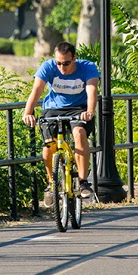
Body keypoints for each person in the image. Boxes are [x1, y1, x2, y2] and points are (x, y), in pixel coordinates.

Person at [23, 40, 99, 204]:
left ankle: (83, 181)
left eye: (66, 63)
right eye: (58, 63)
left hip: (79, 108)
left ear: (74, 59)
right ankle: (52, 184)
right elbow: (37, 89)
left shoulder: (87, 67)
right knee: (49, 144)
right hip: (53, 108)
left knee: (79, 133)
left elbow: (92, 89)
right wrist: (28, 112)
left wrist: (90, 111)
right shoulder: (48, 67)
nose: (62, 68)